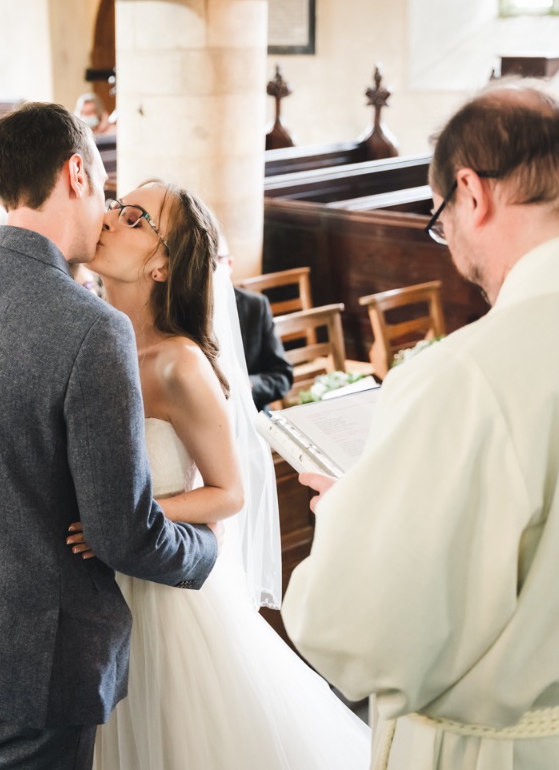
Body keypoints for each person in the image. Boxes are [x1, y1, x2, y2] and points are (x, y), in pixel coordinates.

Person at [281, 79, 559, 770]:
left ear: (471, 193)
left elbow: (353, 633)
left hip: (506, 751)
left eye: (440, 220)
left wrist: (350, 516)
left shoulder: (467, 375)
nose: (448, 239)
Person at [0, 102, 218, 769]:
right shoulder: (92, 328)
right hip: (36, 652)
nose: (105, 209)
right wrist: (204, 549)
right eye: (104, 187)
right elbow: (121, 533)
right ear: (75, 172)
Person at [71, 180, 369, 769]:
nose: (109, 217)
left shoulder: (178, 362)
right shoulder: (81, 330)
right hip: (89, 585)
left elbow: (228, 492)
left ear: (162, 264)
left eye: (134, 217)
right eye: (115, 203)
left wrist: (128, 519)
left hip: (162, 590)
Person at [218, 244, 293, 409]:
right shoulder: (179, 309)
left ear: (229, 264)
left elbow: (282, 376)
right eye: (204, 261)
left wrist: (248, 385)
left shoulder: (255, 305)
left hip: (253, 413)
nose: (211, 269)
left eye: (218, 259)